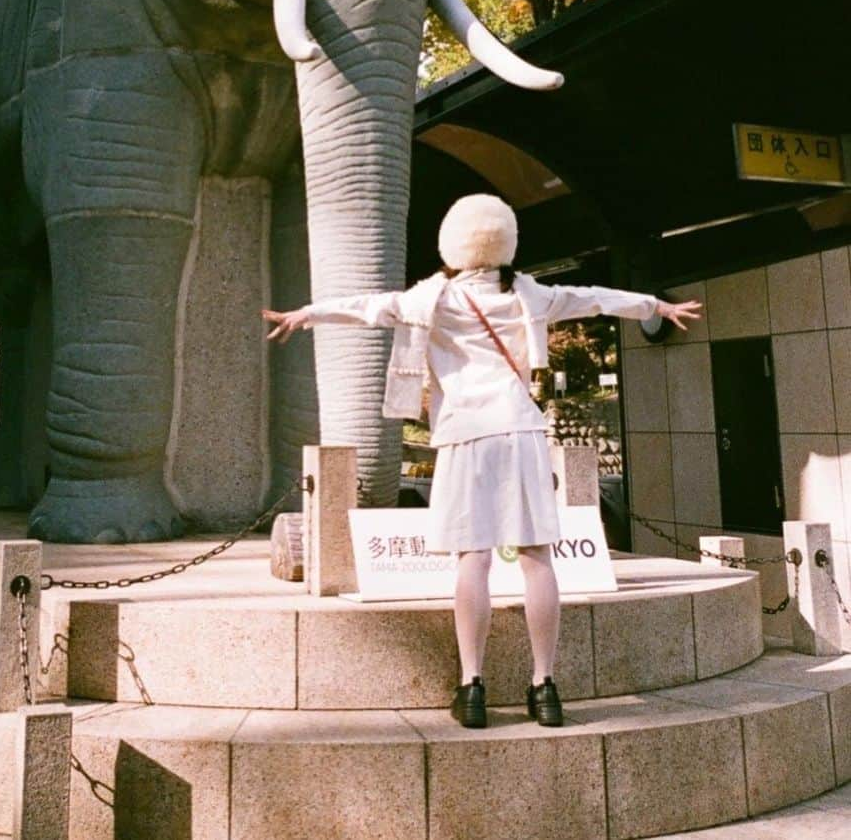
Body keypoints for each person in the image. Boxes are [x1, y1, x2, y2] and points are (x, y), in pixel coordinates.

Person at [263, 193, 701, 729]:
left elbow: (369, 307)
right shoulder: (529, 295)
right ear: (505, 242)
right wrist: (655, 306)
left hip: (464, 437)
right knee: (538, 558)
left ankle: (472, 687)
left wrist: (307, 314)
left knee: (473, 561)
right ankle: (545, 688)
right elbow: (591, 298)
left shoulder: (432, 299)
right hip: (521, 430)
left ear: (452, 242)